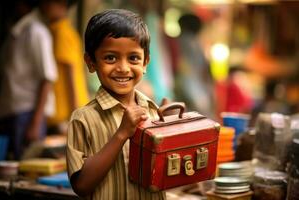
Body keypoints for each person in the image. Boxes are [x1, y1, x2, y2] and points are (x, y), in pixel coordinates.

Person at [66, 9, 166, 199]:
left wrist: (175, 128)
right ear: (91, 62)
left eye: (133, 58)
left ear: (145, 62)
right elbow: (82, 185)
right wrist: (121, 134)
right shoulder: (83, 118)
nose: (123, 68)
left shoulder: (152, 110)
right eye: (110, 57)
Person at [0, 0, 57, 160]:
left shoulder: (37, 32)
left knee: (26, 167)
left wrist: (35, 124)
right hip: (11, 113)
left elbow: (47, 79)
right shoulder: (16, 32)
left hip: (27, 115)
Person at [45, 0, 89, 134]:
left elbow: (70, 75)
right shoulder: (57, 31)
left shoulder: (62, 33)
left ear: (63, 5)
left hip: (65, 113)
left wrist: (74, 115)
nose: (45, 6)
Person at [174, 13, 216, 119]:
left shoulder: (182, 42)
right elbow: (205, 73)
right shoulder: (196, 44)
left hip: (189, 97)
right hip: (200, 98)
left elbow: (186, 73)